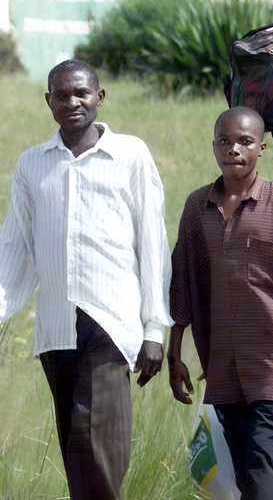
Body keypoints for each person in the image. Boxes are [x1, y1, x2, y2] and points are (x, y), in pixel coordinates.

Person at [0, 60, 171, 500]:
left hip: (109, 321)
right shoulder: (32, 165)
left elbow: (152, 243)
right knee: (76, 444)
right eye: (62, 95)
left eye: (82, 93)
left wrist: (155, 328)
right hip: (57, 325)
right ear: (48, 101)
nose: (72, 102)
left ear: (100, 97)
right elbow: (16, 247)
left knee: (94, 437)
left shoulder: (130, 155)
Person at [168, 106, 273, 499]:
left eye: (245, 141)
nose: (234, 149)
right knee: (249, 476)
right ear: (214, 146)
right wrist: (174, 355)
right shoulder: (197, 208)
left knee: (268, 470)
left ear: (262, 148)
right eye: (225, 141)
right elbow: (184, 282)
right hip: (225, 366)